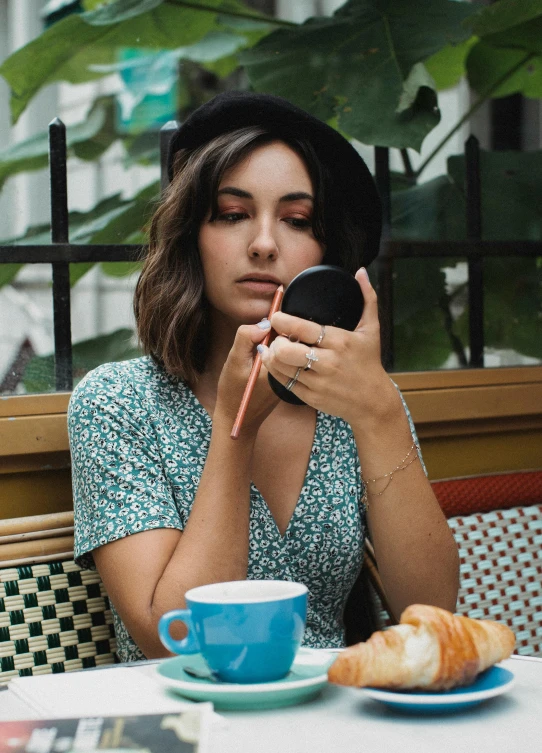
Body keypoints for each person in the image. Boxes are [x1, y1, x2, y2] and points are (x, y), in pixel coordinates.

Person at [68, 91, 459, 663]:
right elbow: (174, 640)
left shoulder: (351, 398)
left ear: (326, 253)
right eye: (232, 214)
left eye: (297, 220)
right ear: (190, 237)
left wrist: (379, 411)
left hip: (340, 722)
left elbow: (430, 613)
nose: (264, 243)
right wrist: (236, 425)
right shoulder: (118, 403)